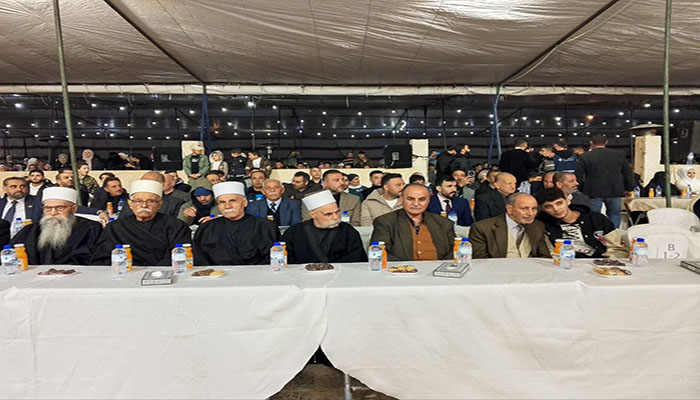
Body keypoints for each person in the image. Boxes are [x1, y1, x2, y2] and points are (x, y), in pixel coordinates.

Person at [92, 180, 191, 266]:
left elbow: (179, 256)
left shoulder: (176, 226)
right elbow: (102, 258)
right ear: (130, 204)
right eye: (138, 201)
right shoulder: (115, 227)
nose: (144, 205)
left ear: (159, 205)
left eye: (151, 201)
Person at [193, 181, 279, 265]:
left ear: (244, 202)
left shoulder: (265, 226)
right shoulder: (207, 228)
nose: (228, 206)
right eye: (222, 202)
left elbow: (273, 259)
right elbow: (199, 260)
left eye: (233, 201)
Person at [11, 187, 103, 265]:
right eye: (48, 208)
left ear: (74, 208)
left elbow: (95, 259)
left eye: (60, 208)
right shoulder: (31, 229)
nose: (53, 213)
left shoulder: (91, 228)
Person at [535, 188, 628, 259]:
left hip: (599, 262)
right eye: (549, 207)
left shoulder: (597, 219)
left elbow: (616, 248)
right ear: (543, 209)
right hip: (563, 264)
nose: (556, 209)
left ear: (567, 201)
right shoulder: (543, 224)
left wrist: (608, 262)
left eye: (559, 203)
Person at [371, 183, 455, 261]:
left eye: (422, 199)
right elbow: (380, 251)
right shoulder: (385, 222)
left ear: (428, 201)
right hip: (400, 269)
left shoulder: (443, 223)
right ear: (401, 199)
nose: (416, 203)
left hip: (440, 269)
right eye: (410, 199)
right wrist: (405, 268)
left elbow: (455, 250)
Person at [282, 190, 368, 264]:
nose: (335, 217)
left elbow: (356, 259)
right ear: (312, 214)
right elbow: (287, 260)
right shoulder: (294, 232)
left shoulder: (348, 231)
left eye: (337, 212)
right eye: (328, 214)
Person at [575, 135, 635, 228]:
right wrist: (629, 188)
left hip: (593, 191)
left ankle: (597, 233)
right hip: (615, 189)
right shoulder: (619, 155)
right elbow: (628, 173)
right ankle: (613, 232)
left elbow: (579, 175)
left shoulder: (585, 156)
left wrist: (582, 189)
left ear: (591, 142)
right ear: (606, 142)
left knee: (594, 215)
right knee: (614, 214)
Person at [469, 193, 551, 259]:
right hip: (497, 271)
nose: (530, 214)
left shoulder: (537, 226)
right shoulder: (482, 228)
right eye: (524, 208)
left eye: (534, 209)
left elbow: (544, 257)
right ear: (509, 209)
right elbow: (481, 260)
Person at [119, 172, 186, 218]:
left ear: (161, 185)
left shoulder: (175, 203)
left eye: (149, 183)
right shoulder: (132, 201)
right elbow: (122, 222)